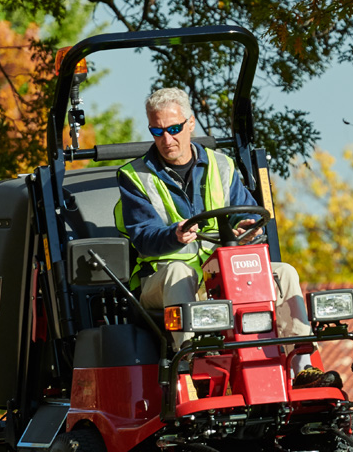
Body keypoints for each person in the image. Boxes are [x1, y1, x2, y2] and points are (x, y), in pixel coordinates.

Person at [115, 86, 339, 388]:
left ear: (190, 123)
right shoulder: (134, 176)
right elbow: (143, 236)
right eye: (157, 131)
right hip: (163, 282)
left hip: (221, 277)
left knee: (285, 272)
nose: (167, 139)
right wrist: (175, 234)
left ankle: (302, 365)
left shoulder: (222, 165)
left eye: (174, 129)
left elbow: (242, 212)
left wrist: (248, 227)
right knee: (180, 273)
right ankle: (193, 362)